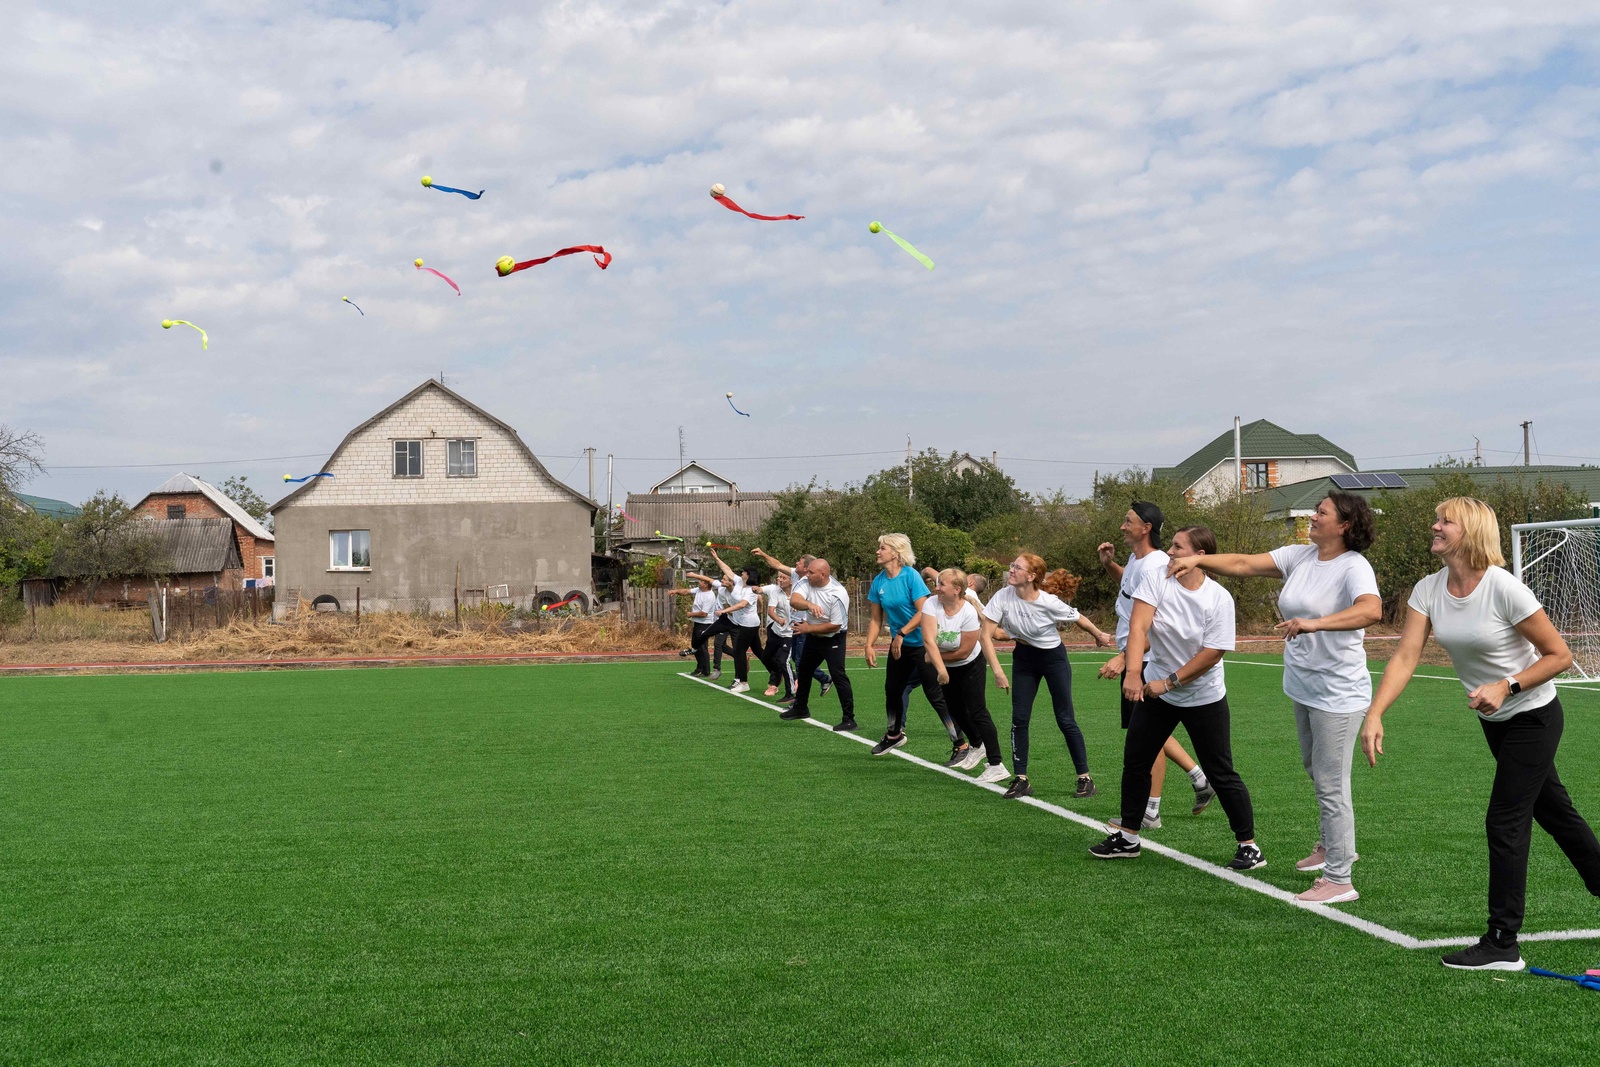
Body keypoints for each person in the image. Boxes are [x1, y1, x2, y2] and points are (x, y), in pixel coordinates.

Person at [1359, 497, 1600, 970]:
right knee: (1557, 815)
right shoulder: (1428, 589)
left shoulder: (1504, 588)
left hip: (1534, 716)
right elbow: (1405, 656)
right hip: (1496, 723)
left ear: (1469, 531)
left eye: (1445, 521)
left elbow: (1559, 656)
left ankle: (1502, 942)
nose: (1435, 526)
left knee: (1505, 821)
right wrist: (1375, 712)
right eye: (1437, 519)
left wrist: (1506, 686)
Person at [1169, 491, 1381, 903]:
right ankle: (1332, 845)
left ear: (1344, 525)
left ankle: (1340, 878)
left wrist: (1316, 624)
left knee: (1331, 783)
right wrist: (1198, 561)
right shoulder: (1300, 556)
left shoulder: (1354, 566)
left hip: (1338, 692)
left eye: (1321, 512)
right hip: (1304, 685)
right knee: (1315, 770)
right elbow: (1244, 564)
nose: (1313, 516)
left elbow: (1371, 611)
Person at [1090, 527, 1263, 870]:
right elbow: (1139, 627)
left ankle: (1249, 846)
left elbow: (1212, 653)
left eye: (1177, 547)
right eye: (1170, 545)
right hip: (1156, 689)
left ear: (1199, 556)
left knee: (1220, 770)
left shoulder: (1219, 598)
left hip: (1203, 695)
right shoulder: (1157, 579)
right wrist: (1133, 672)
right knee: (1136, 762)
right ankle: (1128, 837)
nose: (1169, 551)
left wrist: (1167, 684)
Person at [1096, 502, 1213, 827]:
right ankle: (1199, 779)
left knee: (1147, 735)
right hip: (1137, 658)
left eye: (1128, 521)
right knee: (1146, 733)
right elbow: (1130, 589)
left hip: (1148, 661)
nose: (1122, 526)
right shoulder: (1139, 561)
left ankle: (1151, 810)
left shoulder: (1158, 564)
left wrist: (1125, 660)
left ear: (1146, 528)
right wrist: (1110, 565)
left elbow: (1156, 623)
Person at [983, 552, 1115, 800]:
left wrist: (1099, 635)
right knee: (1019, 718)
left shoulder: (1048, 602)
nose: (1011, 570)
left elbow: (1079, 618)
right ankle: (1021, 779)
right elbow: (985, 635)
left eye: (1017, 567)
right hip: (1024, 658)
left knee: (1065, 719)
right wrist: (998, 671)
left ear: (1031, 576)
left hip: (1053, 658)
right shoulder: (1003, 596)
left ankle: (1085, 778)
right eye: (1012, 565)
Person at [866, 534, 964, 759]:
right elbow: (875, 619)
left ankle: (960, 743)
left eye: (882, 548)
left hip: (924, 644)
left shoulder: (910, 576)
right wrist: (869, 645)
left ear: (896, 553)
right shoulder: (879, 581)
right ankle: (894, 735)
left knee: (935, 695)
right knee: (892, 690)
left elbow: (924, 611)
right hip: (900, 646)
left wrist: (901, 633)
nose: (878, 552)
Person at [922, 567, 1010, 783]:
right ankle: (977, 745)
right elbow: (928, 640)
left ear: (957, 589)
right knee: (954, 710)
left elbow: (964, 651)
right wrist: (941, 668)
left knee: (977, 711)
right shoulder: (931, 603)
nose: (937, 587)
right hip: (946, 667)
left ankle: (997, 764)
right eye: (937, 583)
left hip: (970, 664)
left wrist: (936, 660)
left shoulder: (968, 612)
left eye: (942, 584)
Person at [781, 557, 856, 730]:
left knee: (838, 675)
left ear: (823, 574)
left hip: (833, 638)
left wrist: (808, 629)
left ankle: (849, 719)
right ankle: (801, 708)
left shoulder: (837, 593)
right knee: (804, 669)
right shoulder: (806, 582)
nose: (807, 574)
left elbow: (835, 625)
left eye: (811, 572)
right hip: (814, 636)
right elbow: (794, 600)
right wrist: (809, 604)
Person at [752, 548, 831, 702]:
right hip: (794, 626)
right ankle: (822, 680)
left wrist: (802, 605)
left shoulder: (812, 581)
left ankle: (798, 699)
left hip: (804, 625)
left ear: (807, 568)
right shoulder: (795, 574)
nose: (796, 563)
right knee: (796, 659)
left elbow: (819, 600)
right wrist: (763, 554)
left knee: (800, 662)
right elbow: (777, 564)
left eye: (799, 563)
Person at [685, 548, 764, 694]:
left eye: (725, 579)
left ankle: (739, 679)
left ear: (731, 582)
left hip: (739, 623)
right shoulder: (724, 586)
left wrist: (726, 610)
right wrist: (716, 558)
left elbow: (748, 601)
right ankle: (696, 650)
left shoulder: (740, 589)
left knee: (743, 651)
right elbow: (722, 572)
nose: (722, 580)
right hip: (727, 619)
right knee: (710, 638)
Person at [757, 569, 798, 700]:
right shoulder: (776, 591)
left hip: (789, 635)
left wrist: (799, 607)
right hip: (775, 632)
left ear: (791, 581)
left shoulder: (798, 594)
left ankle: (790, 693)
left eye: (783, 578)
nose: (779, 579)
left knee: (783, 661)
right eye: (778, 577)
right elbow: (770, 611)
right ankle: (784, 675)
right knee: (766, 657)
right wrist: (779, 620)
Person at [668, 577, 719, 677]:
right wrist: (675, 591)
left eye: (701, 581)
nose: (699, 582)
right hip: (698, 623)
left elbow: (704, 613)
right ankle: (699, 667)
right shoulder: (699, 590)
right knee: (695, 646)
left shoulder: (709, 596)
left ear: (706, 585)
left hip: (705, 624)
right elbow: (686, 591)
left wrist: (691, 614)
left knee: (702, 647)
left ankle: (706, 671)